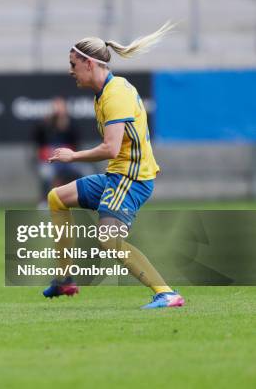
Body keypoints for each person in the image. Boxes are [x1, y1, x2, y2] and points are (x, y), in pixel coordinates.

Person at [42, 22, 185, 309]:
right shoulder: (105, 93)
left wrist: (73, 156)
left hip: (132, 178)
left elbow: (111, 148)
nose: (70, 70)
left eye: (73, 64)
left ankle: (166, 293)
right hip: (117, 175)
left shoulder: (115, 94)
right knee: (57, 198)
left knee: (107, 240)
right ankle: (65, 278)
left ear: (90, 63)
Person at [32, 97, 81, 207]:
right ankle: (44, 201)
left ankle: (79, 200)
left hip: (68, 159)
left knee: (84, 171)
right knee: (46, 174)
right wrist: (48, 122)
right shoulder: (45, 124)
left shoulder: (71, 123)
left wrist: (65, 124)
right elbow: (37, 140)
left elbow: (77, 142)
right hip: (49, 160)